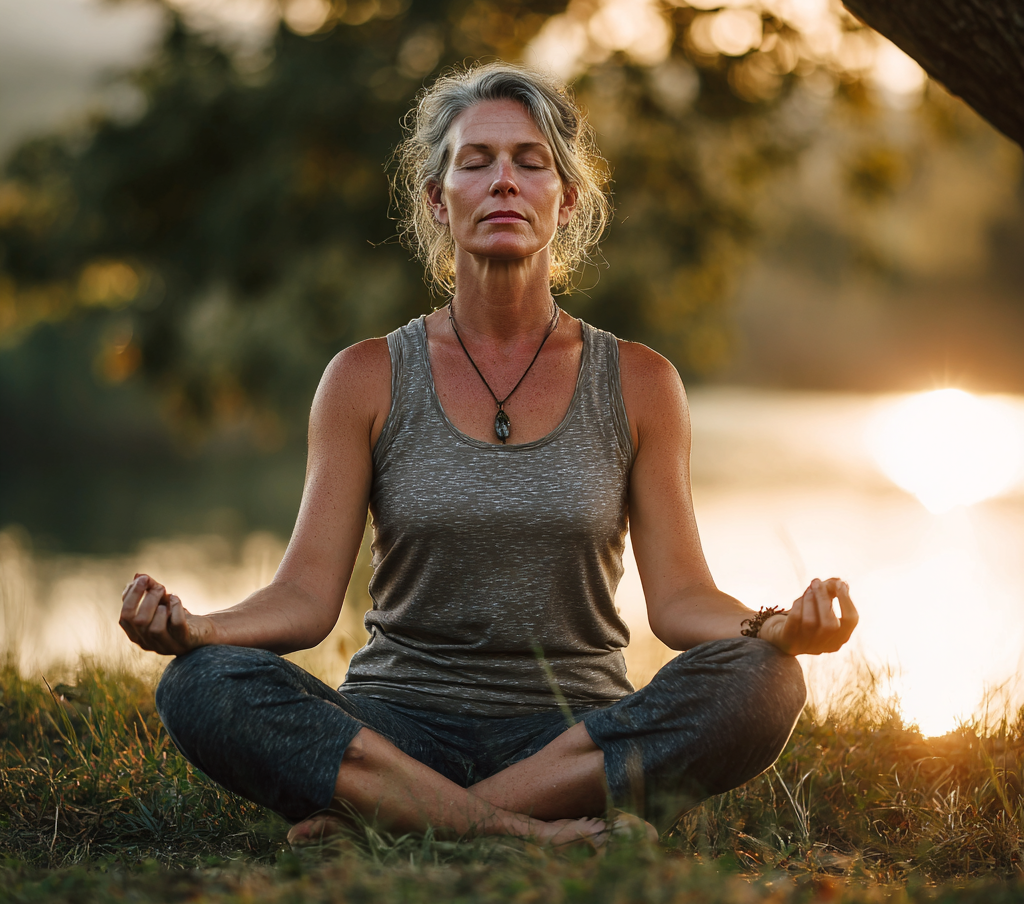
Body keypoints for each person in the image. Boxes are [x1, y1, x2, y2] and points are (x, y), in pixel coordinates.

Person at [118, 62, 858, 847]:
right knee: (202, 686)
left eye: (530, 161)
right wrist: (198, 629)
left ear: (565, 199)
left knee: (762, 683)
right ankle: (525, 836)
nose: (504, 180)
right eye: (476, 161)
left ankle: (396, 820)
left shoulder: (640, 381)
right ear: (439, 200)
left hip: (572, 734)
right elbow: (303, 598)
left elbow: (680, 604)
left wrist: (774, 628)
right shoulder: (365, 377)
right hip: (393, 725)